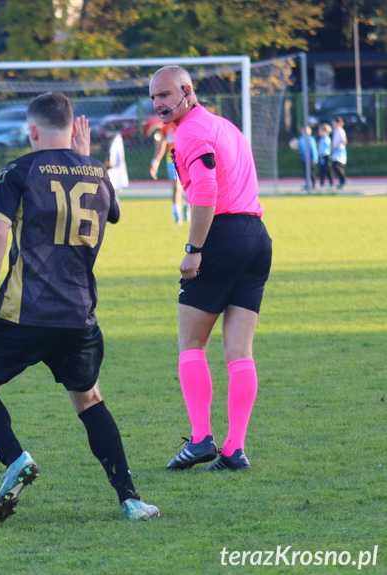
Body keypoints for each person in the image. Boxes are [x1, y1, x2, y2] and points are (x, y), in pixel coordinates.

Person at [0, 91, 160, 523]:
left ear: (32, 130)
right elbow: (115, 213)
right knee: (89, 399)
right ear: (73, 130)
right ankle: (130, 500)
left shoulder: (18, 169)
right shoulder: (96, 171)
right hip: (78, 314)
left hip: (22, 311)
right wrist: (85, 161)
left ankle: (14, 458)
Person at [149, 66, 272, 472]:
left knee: (191, 344)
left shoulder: (191, 132)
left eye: (165, 95)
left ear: (187, 90)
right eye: (153, 98)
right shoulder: (227, 128)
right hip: (256, 235)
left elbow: (205, 189)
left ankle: (202, 439)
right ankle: (235, 450)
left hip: (221, 236)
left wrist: (194, 250)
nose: (159, 104)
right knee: (239, 351)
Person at [150, 122, 189, 224]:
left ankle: (186, 206)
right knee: (176, 187)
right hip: (172, 161)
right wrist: (154, 163)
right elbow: (161, 147)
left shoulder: (183, 123)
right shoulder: (166, 127)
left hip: (185, 160)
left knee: (189, 187)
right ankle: (177, 215)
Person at [297, 125, 318, 189]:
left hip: (311, 159)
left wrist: (314, 159)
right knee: (306, 173)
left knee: (311, 172)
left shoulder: (310, 139)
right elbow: (301, 149)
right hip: (304, 158)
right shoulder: (301, 138)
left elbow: (313, 149)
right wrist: (296, 149)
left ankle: (314, 184)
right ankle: (307, 185)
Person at [331, 116, 348, 190]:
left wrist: (337, 146)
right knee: (334, 166)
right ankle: (342, 182)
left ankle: (343, 181)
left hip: (340, 152)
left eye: (334, 123)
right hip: (335, 152)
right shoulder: (335, 131)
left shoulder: (341, 131)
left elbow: (344, 141)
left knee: (337, 166)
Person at [317, 123, 334, 190]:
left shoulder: (326, 139)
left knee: (327, 170)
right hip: (322, 156)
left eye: (320, 130)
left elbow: (327, 148)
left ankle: (331, 183)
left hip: (326, 156)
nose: (319, 132)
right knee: (322, 170)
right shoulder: (322, 138)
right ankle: (322, 183)